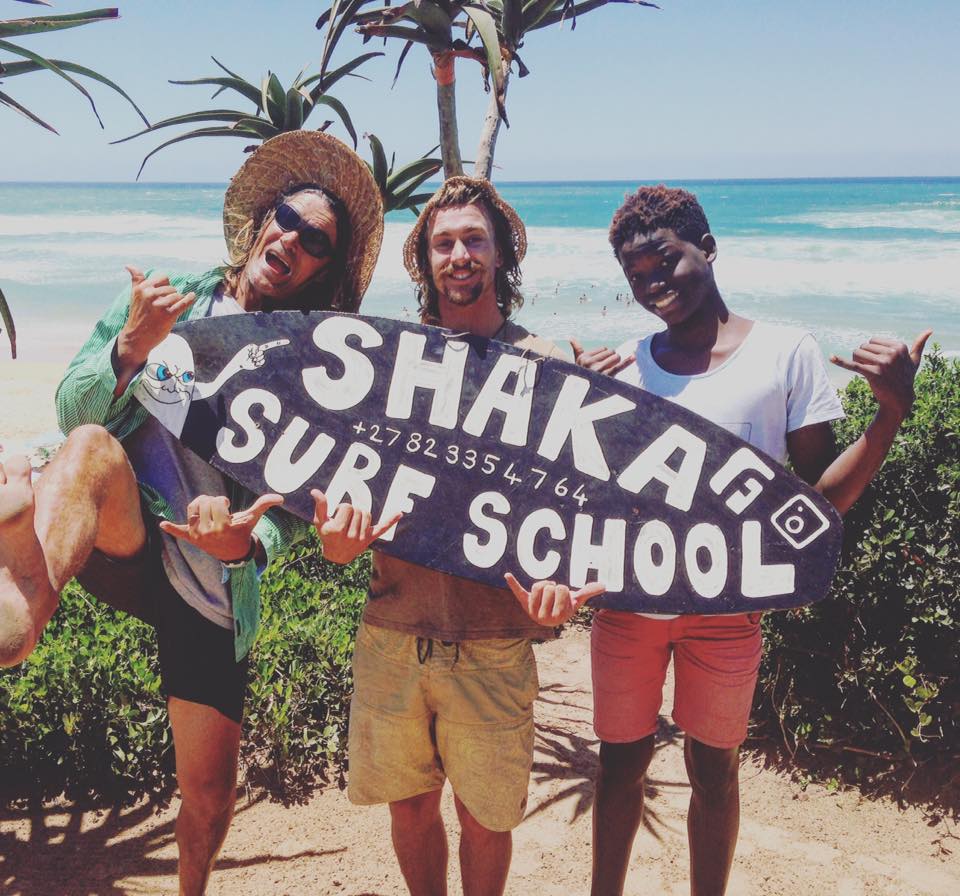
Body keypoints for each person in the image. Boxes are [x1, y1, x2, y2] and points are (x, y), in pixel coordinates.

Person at [0, 130, 391, 895]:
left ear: (324, 267)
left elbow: (299, 502)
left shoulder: (309, 363)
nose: (293, 240)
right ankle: (21, 607)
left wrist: (251, 544)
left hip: (210, 574)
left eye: (315, 241)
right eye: (288, 219)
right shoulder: (167, 299)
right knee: (88, 446)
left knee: (210, 795)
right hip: (123, 529)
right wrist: (129, 349)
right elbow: (73, 405)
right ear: (262, 221)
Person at [570, 184, 931, 896]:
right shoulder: (625, 367)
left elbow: (816, 500)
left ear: (708, 248)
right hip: (628, 604)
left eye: (665, 260)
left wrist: (889, 414)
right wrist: (579, 402)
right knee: (619, 765)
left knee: (715, 770)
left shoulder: (784, 353)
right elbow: (593, 494)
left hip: (728, 612)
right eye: (635, 274)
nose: (652, 282)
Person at [346, 176, 605, 896]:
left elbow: (574, 510)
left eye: (474, 240)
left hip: (493, 643)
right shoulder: (391, 361)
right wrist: (340, 543)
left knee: (487, 821)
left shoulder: (546, 367)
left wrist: (560, 594)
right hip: (393, 632)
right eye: (443, 243)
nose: (459, 255)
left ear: (500, 255)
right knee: (409, 807)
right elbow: (353, 490)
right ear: (424, 261)